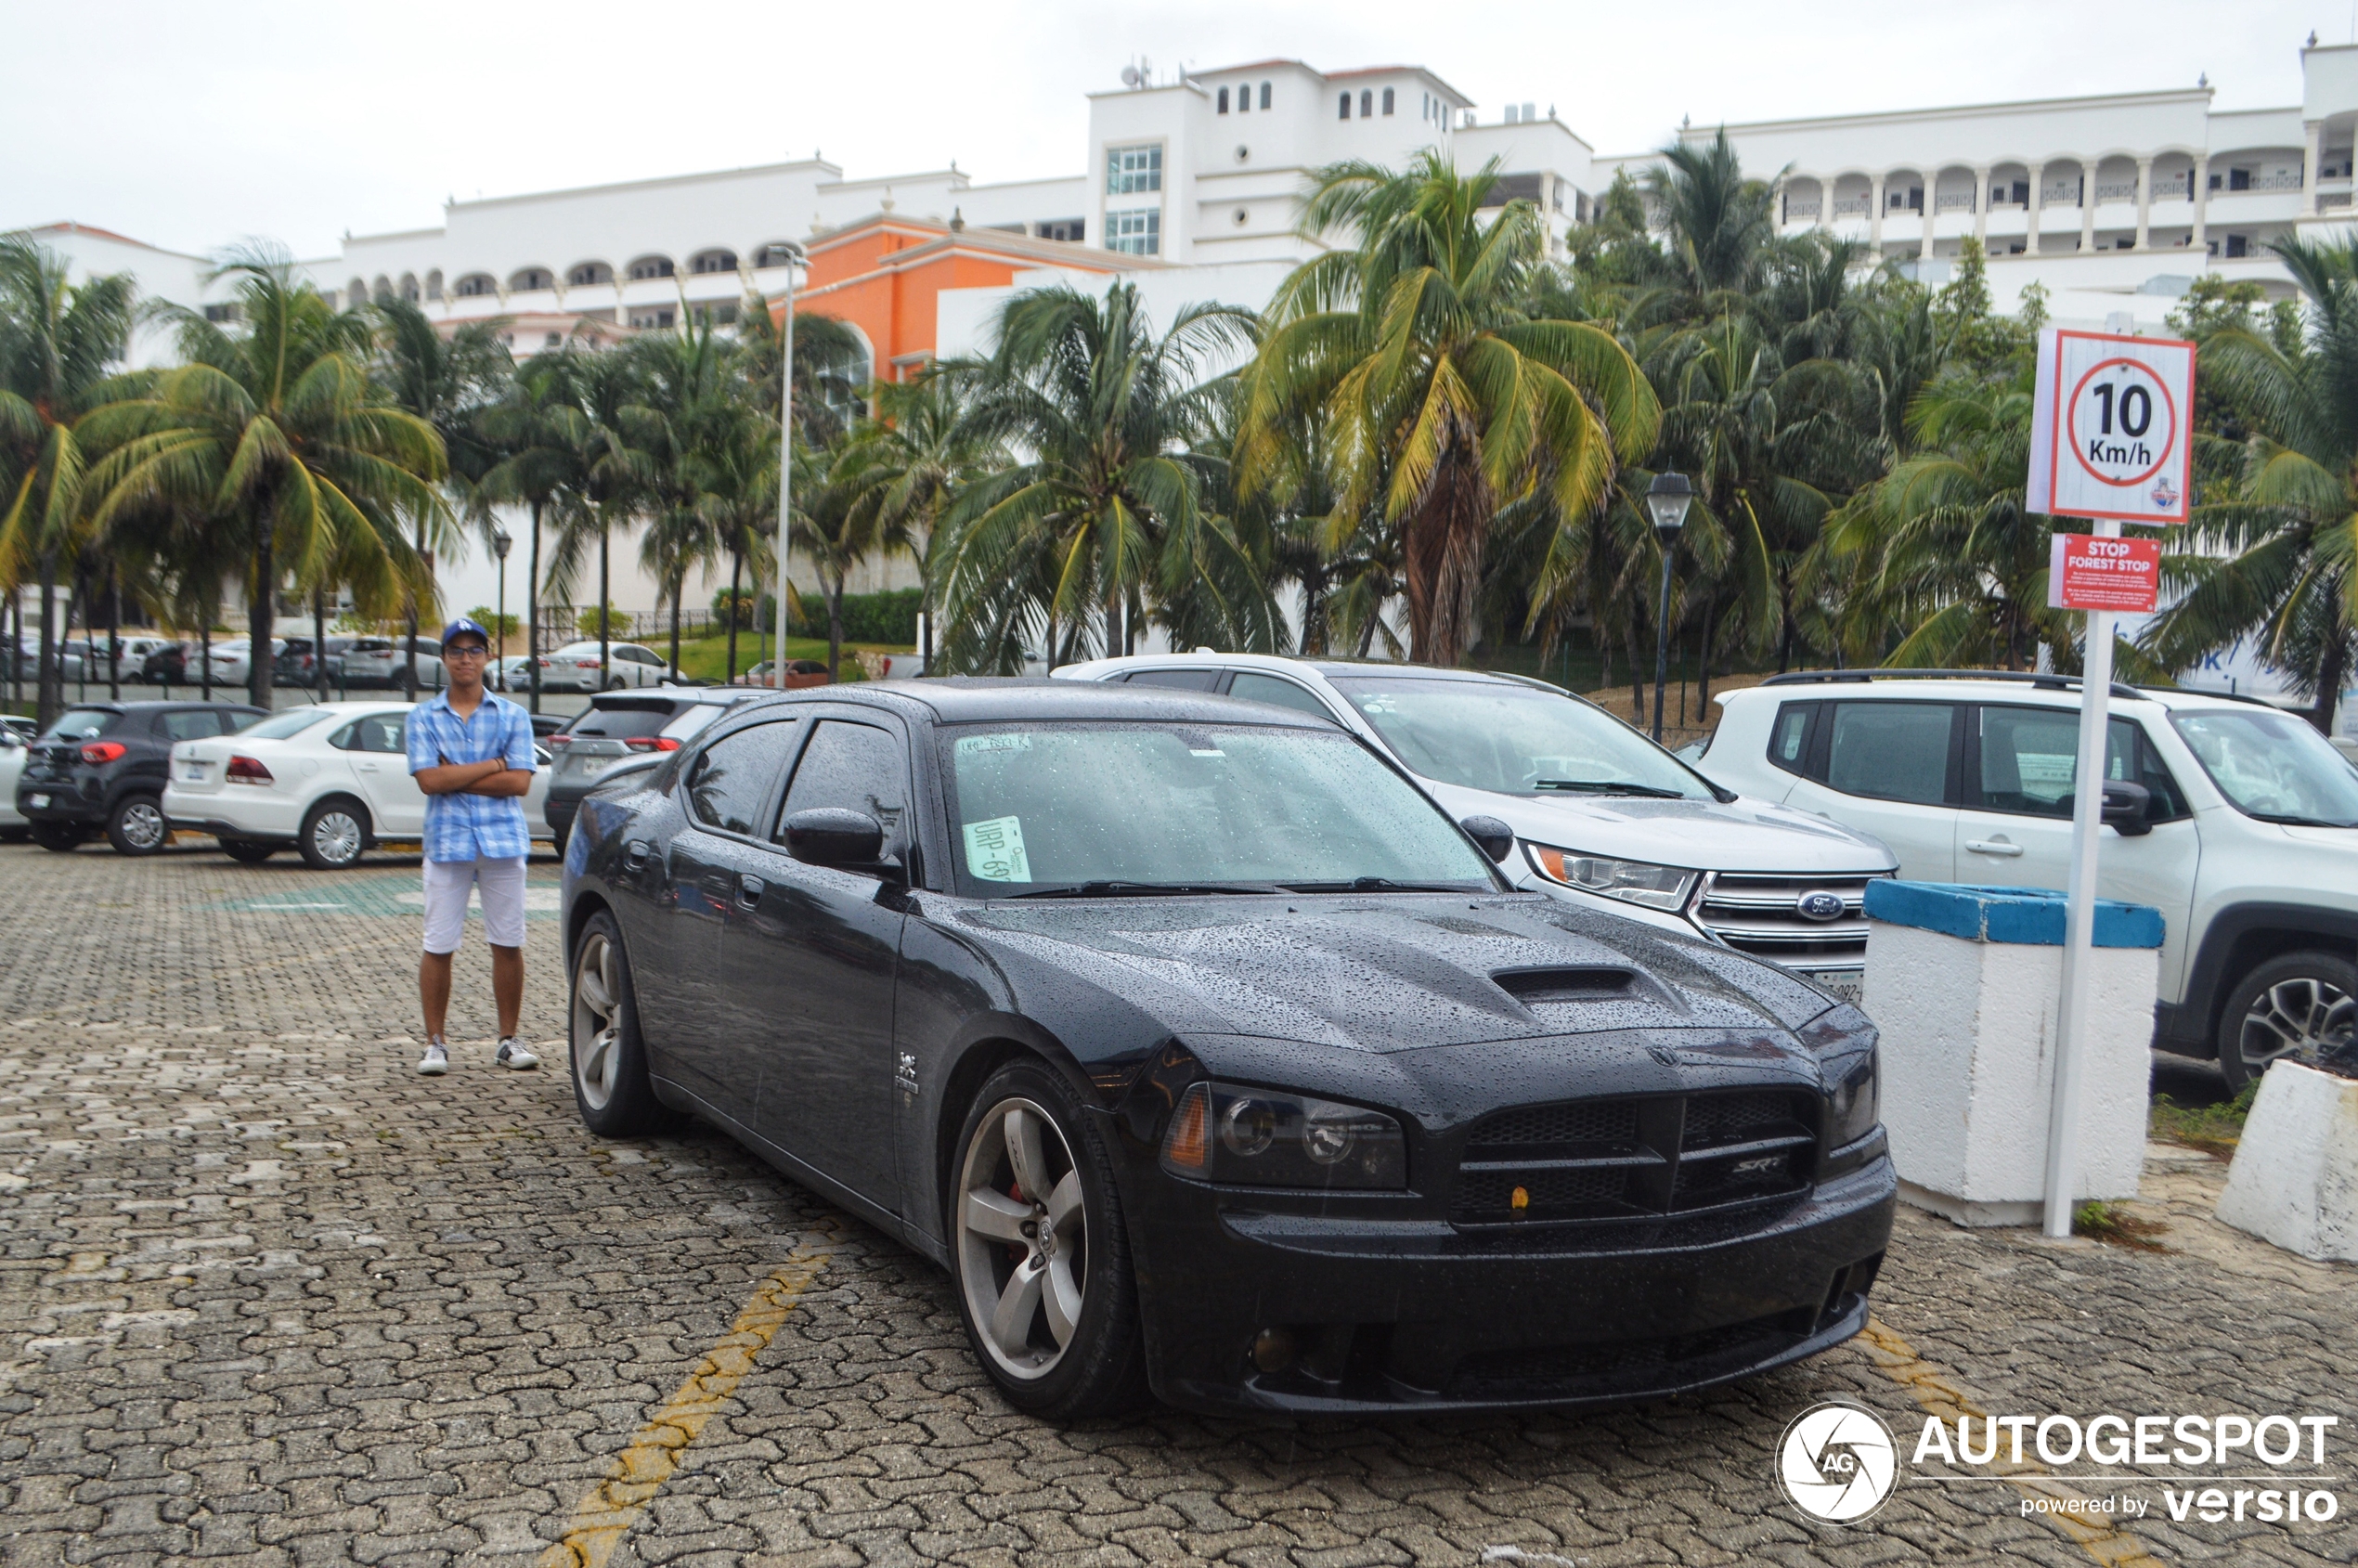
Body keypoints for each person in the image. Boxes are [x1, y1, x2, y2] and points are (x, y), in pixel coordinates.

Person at [407, 616, 540, 1076]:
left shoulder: (513, 716)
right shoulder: (422, 717)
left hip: (502, 843)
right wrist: (493, 764)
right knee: (439, 943)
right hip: (447, 844)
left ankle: (508, 1039)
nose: (466, 658)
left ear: (488, 657)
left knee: (508, 941)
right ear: (444, 658)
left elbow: (520, 783)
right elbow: (429, 780)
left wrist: (457, 774)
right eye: (457, 650)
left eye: (474, 650)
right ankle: (435, 1043)